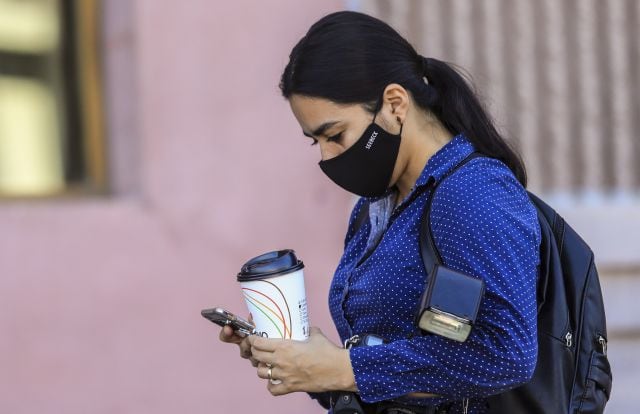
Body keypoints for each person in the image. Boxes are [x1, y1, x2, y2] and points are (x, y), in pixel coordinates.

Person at [219, 10, 541, 414]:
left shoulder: (472, 192)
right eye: (314, 141)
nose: (326, 155)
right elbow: (392, 371)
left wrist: (345, 368)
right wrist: (306, 365)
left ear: (394, 104)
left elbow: (506, 354)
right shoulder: (375, 207)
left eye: (335, 135)